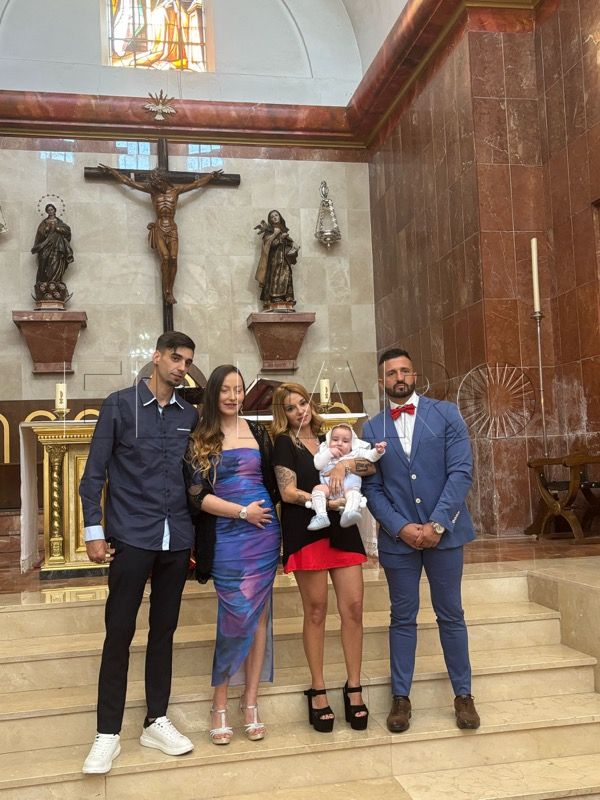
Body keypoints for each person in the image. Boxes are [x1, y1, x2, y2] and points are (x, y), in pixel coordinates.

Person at [79, 331, 198, 775]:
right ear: (156, 357)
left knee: (163, 631)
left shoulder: (189, 414)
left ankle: (155, 720)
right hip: (130, 534)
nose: (181, 367)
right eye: (175, 358)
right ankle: (107, 733)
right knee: (119, 632)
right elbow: (93, 474)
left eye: (187, 362)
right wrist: (94, 532)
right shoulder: (119, 405)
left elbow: (195, 477)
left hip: (176, 538)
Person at [362, 348, 480, 734]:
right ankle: (401, 697)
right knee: (402, 617)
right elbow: (373, 489)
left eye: (405, 371)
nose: (399, 377)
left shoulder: (446, 414)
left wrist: (437, 524)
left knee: (451, 613)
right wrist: (401, 528)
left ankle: (463, 695)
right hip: (399, 542)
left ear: (415, 376)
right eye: (391, 373)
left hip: (445, 535)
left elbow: (461, 472)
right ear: (381, 381)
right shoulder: (371, 428)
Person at [185, 365, 280, 745]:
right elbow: (196, 496)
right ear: (213, 393)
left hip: (264, 536)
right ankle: (219, 702)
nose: (232, 396)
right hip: (226, 535)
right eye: (225, 389)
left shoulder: (259, 432)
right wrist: (242, 512)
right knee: (234, 618)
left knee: (259, 618)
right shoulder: (200, 437)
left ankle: (250, 702)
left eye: (238, 389)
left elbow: (273, 484)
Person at [271, 383, 375, 732]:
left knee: (354, 608)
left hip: (342, 529)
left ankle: (353, 686)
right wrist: (325, 502)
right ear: (282, 413)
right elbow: (286, 491)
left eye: (302, 402)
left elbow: (370, 466)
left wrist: (345, 466)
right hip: (308, 529)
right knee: (316, 610)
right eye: (290, 407)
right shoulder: (284, 443)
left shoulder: (331, 438)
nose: (299, 410)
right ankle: (318, 689)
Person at [98, 163, 223, 305]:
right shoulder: (153, 192)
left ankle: (171, 289)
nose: (155, 186)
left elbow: (196, 184)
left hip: (172, 228)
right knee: (165, 257)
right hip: (159, 228)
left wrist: (211, 176)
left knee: (173, 258)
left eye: (157, 183)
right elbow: (129, 182)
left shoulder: (176, 191)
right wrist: (112, 172)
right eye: (154, 184)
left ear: (162, 180)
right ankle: (166, 291)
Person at [306, 423, 386, 531]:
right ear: (329, 441)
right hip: (329, 488)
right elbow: (318, 465)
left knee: (354, 494)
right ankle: (321, 516)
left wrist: (378, 451)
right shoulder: (326, 453)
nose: (339, 443)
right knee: (317, 489)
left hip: (348, 488)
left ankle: (349, 513)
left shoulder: (355, 452)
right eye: (335, 439)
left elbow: (370, 457)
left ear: (352, 444)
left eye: (345, 441)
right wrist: (329, 452)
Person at [254, 210, 299, 311]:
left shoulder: (283, 230)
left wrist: (293, 245)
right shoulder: (269, 231)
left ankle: (287, 297)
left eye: (276, 215)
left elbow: (289, 243)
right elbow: (269, 245)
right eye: (272, 216)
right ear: (270, 220)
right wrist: (277, 236)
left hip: (285, 259)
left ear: (280, 217)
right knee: (276, 276)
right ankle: (275, 297)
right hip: (275, 259)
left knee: (287, 275)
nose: (275, 217)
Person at [31, 203, 74, 284]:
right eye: (48, 210)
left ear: (55, 210)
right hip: (46, 245)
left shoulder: (60, 222)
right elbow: (40, 234)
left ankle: (55, 282)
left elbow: (67, 231)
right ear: (47, 212)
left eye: (52, 209)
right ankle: (43, 282)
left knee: (56, 262)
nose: (50, 211)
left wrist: (60, 229)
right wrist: (45, 230)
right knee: (44, 261)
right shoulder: (44, 222)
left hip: (58, 245)